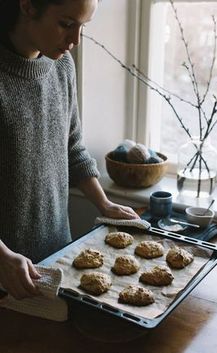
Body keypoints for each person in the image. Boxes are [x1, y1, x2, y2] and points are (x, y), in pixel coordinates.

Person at [0, 0, 139, 300]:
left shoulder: (62, 67)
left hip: (59, 259)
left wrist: (105, 204)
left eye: (82, 27)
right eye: (66, 24)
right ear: (28, 6)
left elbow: (72, 149)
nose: (75, 40)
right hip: (7, 275)